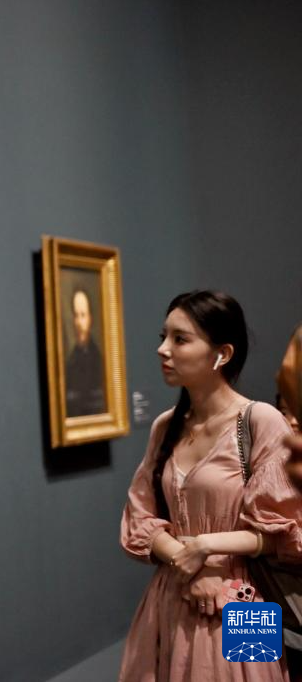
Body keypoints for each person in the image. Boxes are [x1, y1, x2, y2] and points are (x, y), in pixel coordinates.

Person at [120, 290, 301, 681]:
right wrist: (188, 565)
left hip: (245, 600)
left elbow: (286, 531)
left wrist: (206, 545)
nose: (163, 349)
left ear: (222, 354)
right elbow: (139, 518)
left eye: (180, 339)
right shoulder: (165, 426)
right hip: (173, 596)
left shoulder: (260, 421)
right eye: (163, 337)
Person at [64, 288, 106, 416]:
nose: (79, 323)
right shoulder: (69, 364)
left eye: (83, 315)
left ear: (90, 319)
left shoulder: (100, 360)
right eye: (76, 315)